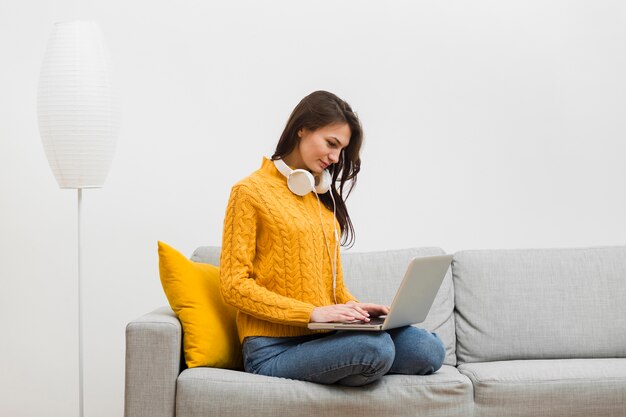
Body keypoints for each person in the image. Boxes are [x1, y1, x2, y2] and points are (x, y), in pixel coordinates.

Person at [220, 90, 445, 386]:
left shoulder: (319, 197)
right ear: (302, 128)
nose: (335, 158)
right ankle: (357, 364)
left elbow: (330, 286)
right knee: (375, 349)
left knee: (427, 348)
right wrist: (311, 313)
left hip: (326, 338)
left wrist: (356, 307)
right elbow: (233, 286)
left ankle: (353, 366)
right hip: (271, 350)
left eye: (341, 150)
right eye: (331, 144)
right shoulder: (249, 192)